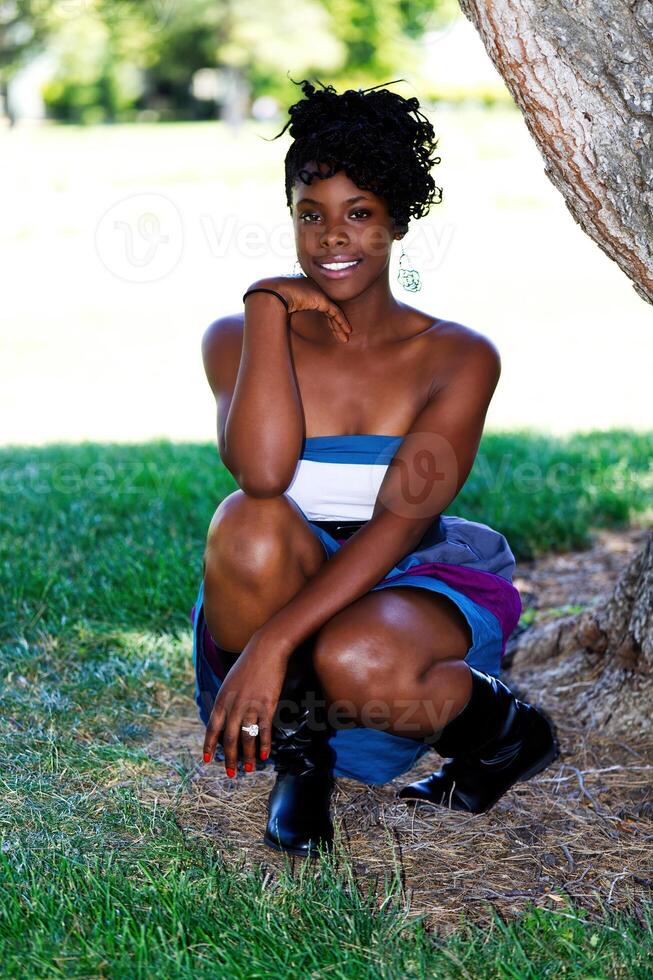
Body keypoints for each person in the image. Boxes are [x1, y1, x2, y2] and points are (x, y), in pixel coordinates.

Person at [190, 77, 559, 858]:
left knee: (353, 654)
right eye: (310, 214)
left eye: (358, 213)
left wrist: (270, 644)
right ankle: (302, 762)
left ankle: (505, 733)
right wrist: (265, 305)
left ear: (395, 220)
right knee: (247, 519)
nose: (331, 239)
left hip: (405, 573)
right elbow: (261, 472)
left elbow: (398, 525)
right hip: (279, 573)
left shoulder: (456, 357)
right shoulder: (237, 336)